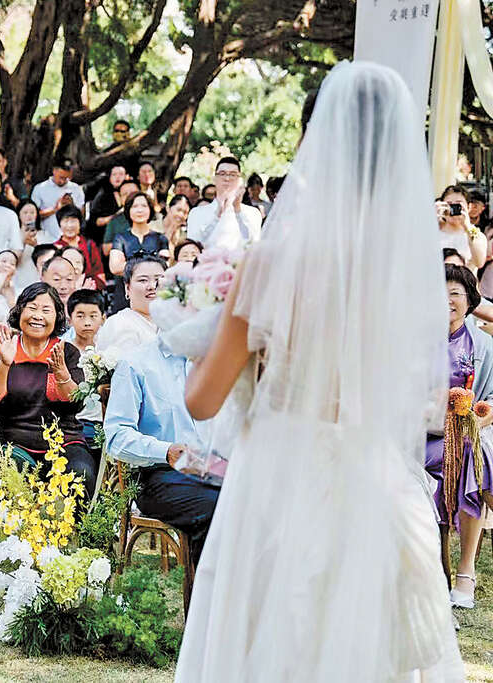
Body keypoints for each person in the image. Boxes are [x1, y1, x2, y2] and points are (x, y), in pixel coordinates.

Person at [174, 62, 462, 682]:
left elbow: (201, 401)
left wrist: (199, 330)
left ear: (314, 142)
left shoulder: (269, 266)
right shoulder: (406, 281)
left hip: (277, 475)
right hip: (372, 476)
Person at [104, 335, 218, 565]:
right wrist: (165, 451)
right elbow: (116, 437)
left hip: (215, 468)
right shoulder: (136, 363)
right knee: (216, 505)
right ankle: (207, 586)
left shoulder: (214, 358)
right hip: (158, 474)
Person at [0, 283, 97, 499]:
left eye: (46, 310)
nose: (38, 316)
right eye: (32, 308)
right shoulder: (4, 350)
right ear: (20, 311)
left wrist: (62, 374)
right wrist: (5, 363)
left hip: (63, 443)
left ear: (57, 316)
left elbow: (76, 403)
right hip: (13, 443)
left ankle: (75, 524)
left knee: (82, 472)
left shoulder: (66, 352)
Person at [424, 265, 493, 610]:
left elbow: (491, 399)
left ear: (469, 301)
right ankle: (454, 572)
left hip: (468, 435)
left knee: (473, 456)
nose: (448, 300)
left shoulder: (483, 345)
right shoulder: (417, 343)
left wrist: (477, 417)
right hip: (423, 438)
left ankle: (465, 570)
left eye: (455, 293)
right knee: (475, 459)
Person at [186, 156, 262, 250]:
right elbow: (193, 246)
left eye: (233, 174)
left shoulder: (253, 213)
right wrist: (217, 215)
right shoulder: (197, 213)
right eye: (222, 174)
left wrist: (238, 211)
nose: (227, 178)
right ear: (214, 178)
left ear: (239, 179)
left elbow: (253, 243)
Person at [97, 255, 164, 359]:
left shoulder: (175, 322)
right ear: (127, 288)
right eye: (143, 280)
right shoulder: (118, 323)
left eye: (158, 279)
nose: (152, 286)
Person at [66, 289, 106, 452]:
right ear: (70, 320)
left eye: (93, 316)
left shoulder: (108, 351)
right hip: (75, 423)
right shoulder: (63, 351)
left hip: (103, 422)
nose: (87, 322)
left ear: (103, 318)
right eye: (80, 316)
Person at [109, 192, 169, 277]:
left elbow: (164, 265)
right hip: (127, 285)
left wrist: (130, 265)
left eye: (144, 206)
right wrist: (151, 263)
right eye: (135, 206)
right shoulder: (120, 238)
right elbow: (115, 268)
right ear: (128, 210)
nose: (140, 210)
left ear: (150, 209)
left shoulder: (160, 238)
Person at [31, 158, 85, 243]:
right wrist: (55, 209)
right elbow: (33, 216)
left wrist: (71, 206)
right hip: (47, 239)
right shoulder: (40, 188)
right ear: (54, 171)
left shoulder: (76, 188)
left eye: (66, 178)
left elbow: (81, 216)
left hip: (70, 239)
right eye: (61, 177)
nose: (62, 181)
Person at [437, 185, 487, 271]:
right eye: (449, 204)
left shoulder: (477, 235)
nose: (453, 207)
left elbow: (479, 262)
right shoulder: (434, 232)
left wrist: (467, 227)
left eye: (458, 204)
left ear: (468, 207)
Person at [55, 205, 105, 289]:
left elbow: (100, 275)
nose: (70, 225)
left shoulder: (89, 245)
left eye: (73, 221)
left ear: (80, 223)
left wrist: (88, 286)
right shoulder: (56, 247)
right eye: (66, 221)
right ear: (59, 224)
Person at [87, 165, 127, 244]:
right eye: (114, 174)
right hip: (104, 236)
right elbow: (94, 220)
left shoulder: (130, 190)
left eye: (121, 174)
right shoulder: (103, 195)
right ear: (110, 177)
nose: (118, 177)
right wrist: (115, 216)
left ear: (126, 176)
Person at [101, 178, 140, 257]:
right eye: (125, 194)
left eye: (133, 193)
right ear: (120, 199)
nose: (129, 196)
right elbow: (106, 250)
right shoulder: (114, 221)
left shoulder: (154, 217)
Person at [12, 199, 41, 292]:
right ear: (19, 215)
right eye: (25, 212)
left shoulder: (43, 235)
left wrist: (37, 247)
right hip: (18, 279)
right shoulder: (13, 235)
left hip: (36, 277)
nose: (29, 215)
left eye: (32, 212)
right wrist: (23, 241)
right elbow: (12, 259)